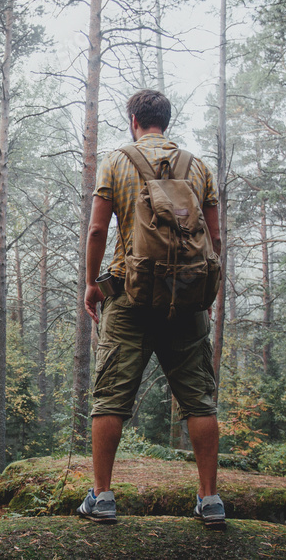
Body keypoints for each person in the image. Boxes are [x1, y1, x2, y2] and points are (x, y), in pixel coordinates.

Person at [75, 89, 225, 528]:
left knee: (110, 398)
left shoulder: (117, 161)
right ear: (166, 120)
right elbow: (214, 240)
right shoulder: (198, 167)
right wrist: (204, 293)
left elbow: (97, 229)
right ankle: (210, 500)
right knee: (199, 401)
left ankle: (102, 497)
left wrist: (91, 284)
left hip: (128, 296)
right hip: (187, 299)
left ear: (133, 121)